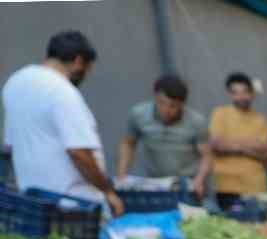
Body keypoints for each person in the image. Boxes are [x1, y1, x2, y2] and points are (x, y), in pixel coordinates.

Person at [1, 31, 121, 214]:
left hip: (33, 202)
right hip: (73, 205)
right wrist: (108, 190)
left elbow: (9, 146)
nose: (85, 76)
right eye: (87, 69)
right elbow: (79, 152)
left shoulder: (15, 83)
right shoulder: (62, 91)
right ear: (78, 61)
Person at [119, 74, 212, 200]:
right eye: (161, 103)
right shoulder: (138, 114)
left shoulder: (197, 121)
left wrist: (199, 180)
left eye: (173, 106)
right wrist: (122, 174)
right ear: (155, 97)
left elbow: (206, 156)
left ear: (182, 104)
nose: (166, 110)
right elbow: (128, 143)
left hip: (187, 183)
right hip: (155, 183)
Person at [209, 72, 267, 211]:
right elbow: (216, 145)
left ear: (251, 93)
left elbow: (266, 153)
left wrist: (231, 144)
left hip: (256, 186)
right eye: (235, 93)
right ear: (230, 94)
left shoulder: (261, 120)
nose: (241, 97)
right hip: (227, 185)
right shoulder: (220, 114)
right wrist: (249, 146)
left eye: (245, 92)